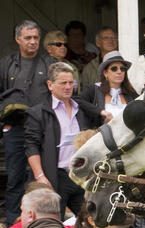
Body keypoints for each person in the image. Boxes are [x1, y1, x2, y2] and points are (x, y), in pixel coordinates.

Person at [0, 20, 54, 224]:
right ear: (17, 39)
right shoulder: (7, 63)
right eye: (28, 38)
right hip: (15, 129)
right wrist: (1, 121)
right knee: (15, 178)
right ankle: (12, 224)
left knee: (43, 177)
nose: (33, 42)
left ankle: (44, 220)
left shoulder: (49, 63)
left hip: (42, 130)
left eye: (36, 38)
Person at [26, 62, 101, 215]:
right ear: (50, 85)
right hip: (55, 175)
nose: (68, 87)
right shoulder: (39, 112)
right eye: (63, 83)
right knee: (53, 219)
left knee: (89, 219)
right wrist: (40, 176)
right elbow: (31, 146)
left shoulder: (81, 110)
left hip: (80, 173)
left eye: (71, 83)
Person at [85, 50, 136, 122]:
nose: (119, 72)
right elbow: (78, 101)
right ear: (105, 73)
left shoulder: (131, 93)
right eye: (114, 69)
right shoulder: (93, 89)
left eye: (122, 69)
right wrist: (100, 111)